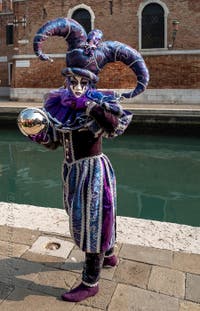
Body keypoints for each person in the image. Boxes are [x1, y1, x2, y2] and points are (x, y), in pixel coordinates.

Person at [27, 18, 149, 302]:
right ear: (66, 79)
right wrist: (36, 134)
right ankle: (109, 254)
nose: (78, 88)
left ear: (91, 82)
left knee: (93, 221)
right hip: (71, 171)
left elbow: (113, 126)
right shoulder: (59, 105)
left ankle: (90, 282)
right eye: (74, 81)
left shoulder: (98, 103)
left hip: (93, 172)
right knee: (80, 215)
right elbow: (55, 141)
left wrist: (91, 106)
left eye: (84, 82)